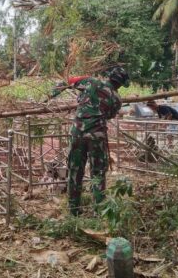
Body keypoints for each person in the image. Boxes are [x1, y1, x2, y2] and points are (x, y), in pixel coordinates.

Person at [48, 67, 129, 215]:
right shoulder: (117, 99)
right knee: (98, 173)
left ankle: (74, 210)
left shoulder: (90, 81)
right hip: (97, 136)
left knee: (75, 170)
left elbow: (67, 82)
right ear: (121, 84)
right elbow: (109, 116)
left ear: (109, 76)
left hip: (78, 133)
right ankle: (99, 211)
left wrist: (51, 95)